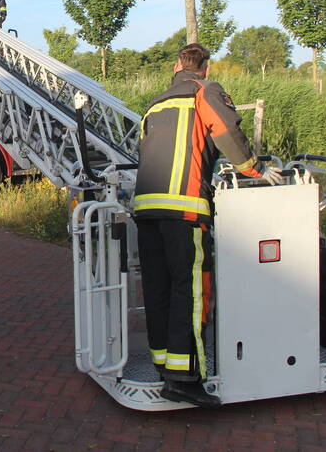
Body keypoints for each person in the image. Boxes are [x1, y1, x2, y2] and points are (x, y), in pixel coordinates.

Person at [132, 43, 282, 408]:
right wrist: (257, 170)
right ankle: (185, 379)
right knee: (192, 290)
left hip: (147, 210)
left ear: (174, 66)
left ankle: (165, 365)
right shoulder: (204, 91)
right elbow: (226, 133)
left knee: (158, 288)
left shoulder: (155, 103)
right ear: (207, 69)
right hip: (184, 209)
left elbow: (143, 151)